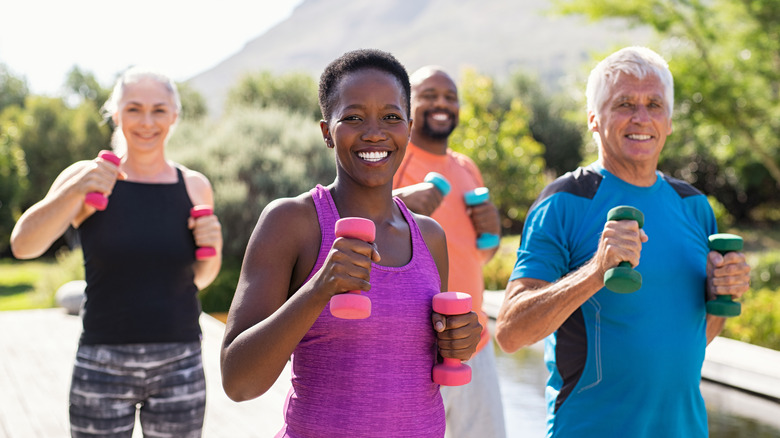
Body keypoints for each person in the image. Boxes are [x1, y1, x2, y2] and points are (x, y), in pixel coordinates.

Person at [219, 49, 482, 437]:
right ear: (327, 132)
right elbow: (238, 383)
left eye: (391, 117)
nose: (374, 132)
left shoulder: (429, 236)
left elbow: (411, 363)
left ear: (408, 128)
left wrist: (460, 341)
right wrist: (319, 288)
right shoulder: (292, 222)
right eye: (353, 117)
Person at [494, 46, 751, 437]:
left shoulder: (695, 206)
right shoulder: (565, 202)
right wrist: (596, 272)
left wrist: (723, 292)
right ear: (594, 120)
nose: (641, 117)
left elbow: (690, 336)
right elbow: (511, 333)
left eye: (654, 104)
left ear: (668, 121)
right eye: (624, 104)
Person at [10, 67, 223, 438]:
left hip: (180, 362)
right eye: (134, 109)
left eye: (158, 110)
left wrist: (214, 246)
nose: (146, 122)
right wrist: (74, 191)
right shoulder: (87, 176)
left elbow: (200, 278)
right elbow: (23, 246)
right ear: (116, 114)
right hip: (102, 362)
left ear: (174, 116)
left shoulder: (194, 186)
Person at [392, 66, 506, 438]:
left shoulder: (466, 168)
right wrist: (397, 204)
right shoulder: (393, 160)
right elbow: (358, 228)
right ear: (409, 104)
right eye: (430, 95)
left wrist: (492, 232)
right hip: (415, 349)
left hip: (476, 343)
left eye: (450, 96)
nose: (442, 103)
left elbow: (476, 257)